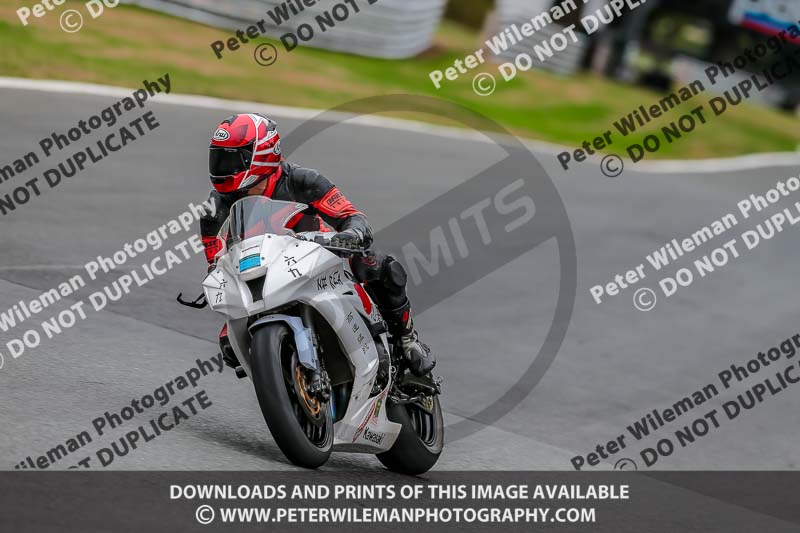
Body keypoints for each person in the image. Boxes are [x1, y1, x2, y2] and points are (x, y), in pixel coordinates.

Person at [199, 113, 435, 376]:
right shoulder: (214, 208)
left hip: (318, 263)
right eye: (218, 157)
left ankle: (407, 338)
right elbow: (218, 265)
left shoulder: (302, 181)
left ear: (262, 154)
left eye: (231, 159)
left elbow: (351, 216)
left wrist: (351, 235)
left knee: (374, 263)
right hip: (264, 279)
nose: (221, 167)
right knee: (230, 344)